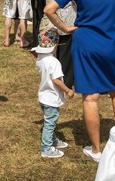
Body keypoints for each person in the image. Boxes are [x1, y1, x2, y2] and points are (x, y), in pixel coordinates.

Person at [43, 0, 115, 163]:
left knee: (90, 97)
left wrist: (64, 28)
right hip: (110, 43)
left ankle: (96, 149)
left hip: (85, 44)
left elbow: (49, 9)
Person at [39, 0, 77, 88]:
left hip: (50, 12)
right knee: (66, 50)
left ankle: (51, 78)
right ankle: (66, 80)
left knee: (51, 49)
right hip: (66, 13)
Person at [33, 29, 74, 159]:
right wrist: (68, 90)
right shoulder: (54, 62)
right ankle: (46, 148)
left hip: (43, 96)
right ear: (55, 45)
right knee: (50, 122)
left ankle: (53, 140)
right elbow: (56, 80)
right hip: (51, 98)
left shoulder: (40, 59)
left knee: (50, 121)